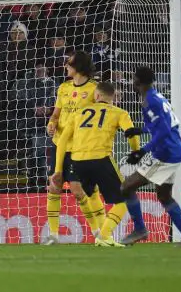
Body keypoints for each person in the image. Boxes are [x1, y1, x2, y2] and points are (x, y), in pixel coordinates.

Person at [51, 82, 141, 247]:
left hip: (77, 161)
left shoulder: (78, 113)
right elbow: (131, 134)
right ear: (112, 98)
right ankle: (104, 235)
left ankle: (99, 232)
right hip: (100, 158)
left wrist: (58, 170)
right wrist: (136, 151)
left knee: (91, 195)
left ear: (97, 96)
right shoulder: (119, 112)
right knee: (125, 199)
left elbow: (62, 140)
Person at [119, 67, 181, 247]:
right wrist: (140, 130)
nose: (132, 81)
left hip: (165, 154)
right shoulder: (156, 96)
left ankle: (140, 229)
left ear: (138, 80)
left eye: (133, 78)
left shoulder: (150, 101)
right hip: (174, 150)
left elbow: (163, 130)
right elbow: (165, 123)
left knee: (126, 187)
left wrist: (142, 150)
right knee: (164, 196)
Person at [44, 51, 104, 245]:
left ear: (79, 67)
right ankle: (53, 235)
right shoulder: (63, 88)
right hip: (59, 145)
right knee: (54, 186)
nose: (65, 66)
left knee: (79, 190)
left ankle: (99, 232)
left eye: (69, 63)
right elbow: (56, 114)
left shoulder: (95, 89)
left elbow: (104, 115)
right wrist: (51, 123)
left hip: (81, 147)